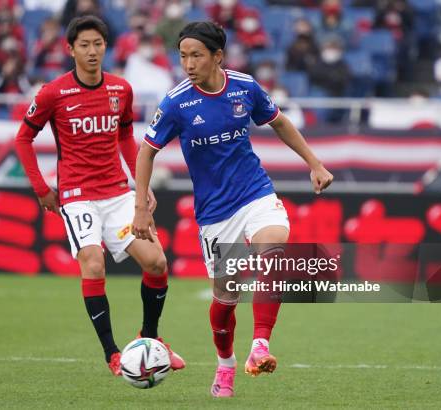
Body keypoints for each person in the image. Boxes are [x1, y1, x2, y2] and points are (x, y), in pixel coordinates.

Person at [132, 21, 333, 397]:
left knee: (273, 251)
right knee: (226, 300)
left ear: (217, 56)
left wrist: (314, 163)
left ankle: (259, 346)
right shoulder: (177, 102)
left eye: (196, 55)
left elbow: (280, 123)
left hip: (255, 192)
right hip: (215, 214)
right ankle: (225, 363)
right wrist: (141, 204)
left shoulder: (245, 87)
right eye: (183, 56)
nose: (188, 64)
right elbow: (146, 152)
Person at [14, 15, 185, 376]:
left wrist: (141, 187)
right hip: (78, 196)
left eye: (98, 44)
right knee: (93, 262)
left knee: (157, 263)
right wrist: (42, 189)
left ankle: (151, 338)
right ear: (70, 49)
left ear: (106, 47)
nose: (92, 51)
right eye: (84, 45)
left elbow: (125, 138)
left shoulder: (121, 89)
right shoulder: (53, 93)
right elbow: (23, 138)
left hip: (118, 195)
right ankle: (112, 354)